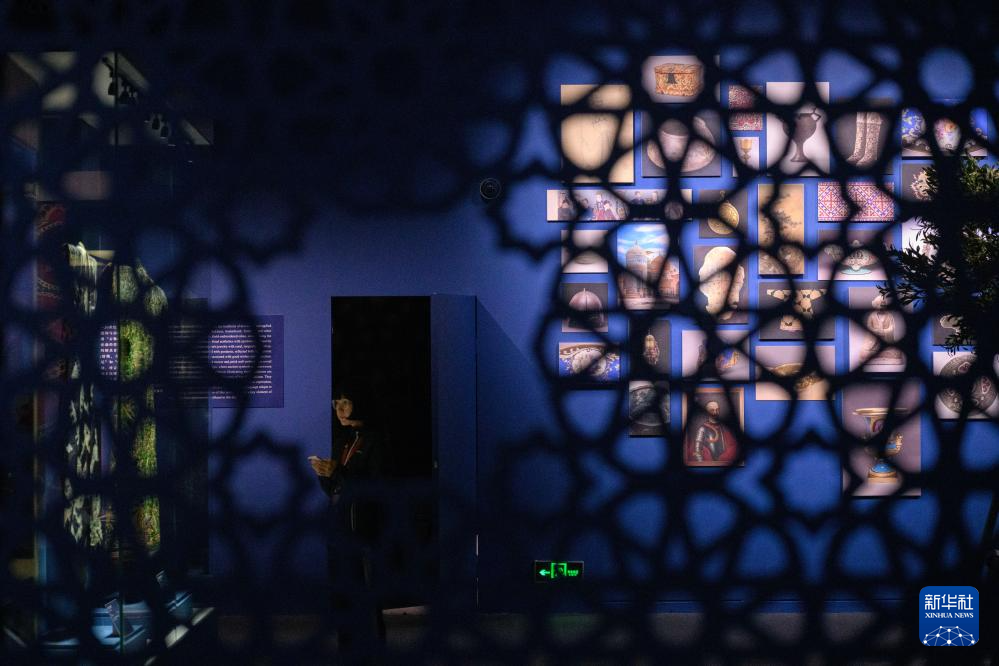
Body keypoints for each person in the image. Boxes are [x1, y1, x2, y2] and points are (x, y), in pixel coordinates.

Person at [309, 386, 386, 657]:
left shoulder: (376, 442)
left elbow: (376, 487)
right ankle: (347, 650)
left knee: (368, 594)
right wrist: (324, 474)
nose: (339, 410)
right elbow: (334, 490)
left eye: (345, 403)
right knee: (342, 593)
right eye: (336, 403)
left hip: (365, 530)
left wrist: (338, 473)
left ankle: (374, 652)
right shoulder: (342, 441)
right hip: (339, 528)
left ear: (359, 404)